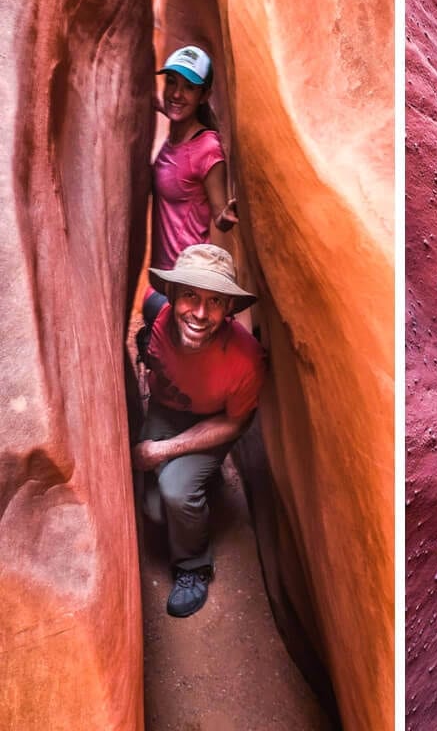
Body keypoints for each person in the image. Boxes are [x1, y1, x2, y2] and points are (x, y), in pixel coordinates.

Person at [132, 243, 266, 618]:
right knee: (155, 509)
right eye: (190, 295)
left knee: (174, 490)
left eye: (216, 301)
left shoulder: (245, 360)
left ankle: (193, 567)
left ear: (228, 310)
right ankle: (200, 484)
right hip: (167, 409)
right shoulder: (158, 317)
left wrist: (164, 450)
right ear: (172, 295)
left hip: (214, 423)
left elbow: (235, 422)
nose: (200, 313)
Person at [145, 45, 239, 322]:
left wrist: (227, 215)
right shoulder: (175, 131)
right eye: (171, 81)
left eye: (188, 87)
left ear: (204, 96)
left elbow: (219, 216)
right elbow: (171, 105)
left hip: (188, 283)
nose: (176, 93)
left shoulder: (207, 147)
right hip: (162, 278)